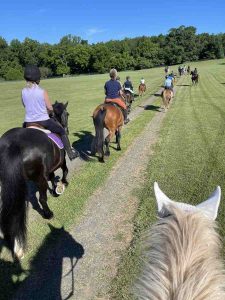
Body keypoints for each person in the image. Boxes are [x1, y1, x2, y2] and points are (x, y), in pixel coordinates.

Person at [21, 65, 78, 160]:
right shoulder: (42, 91)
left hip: (28, 123)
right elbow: (50, 108)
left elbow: (25, 105)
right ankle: (70, 153)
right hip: (43, 121)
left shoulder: (23, 91)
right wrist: (48, 111)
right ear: (37, 78)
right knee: (62, 131)